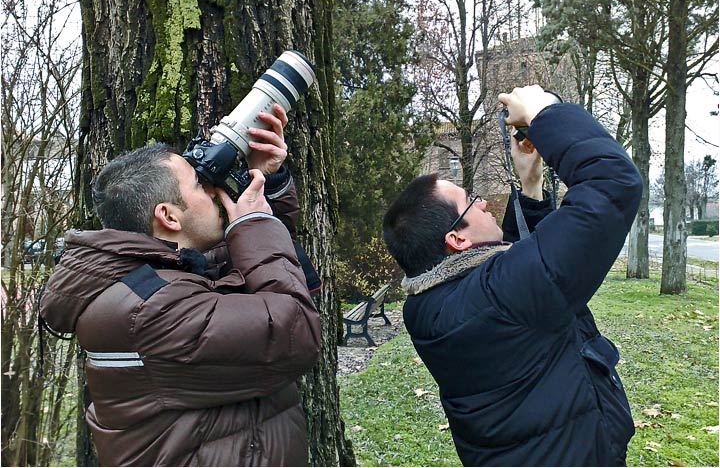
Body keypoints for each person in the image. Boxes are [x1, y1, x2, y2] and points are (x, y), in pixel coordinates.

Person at [40, 105, 321, 466]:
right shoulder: (152, 307)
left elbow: (258, 266)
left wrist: (265, 179)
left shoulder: (154, 276)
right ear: (168, 216)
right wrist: (252, 223)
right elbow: (292, 329)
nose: (213, 187)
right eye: (200, 184)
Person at [382, 85, 643, 466]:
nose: (483, 201)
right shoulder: (503, 295)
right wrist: (546, 114)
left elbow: (520, 278)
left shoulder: (430, 306)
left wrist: (530, 188)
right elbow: (613, 183)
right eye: (471, 201)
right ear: (456, 238)